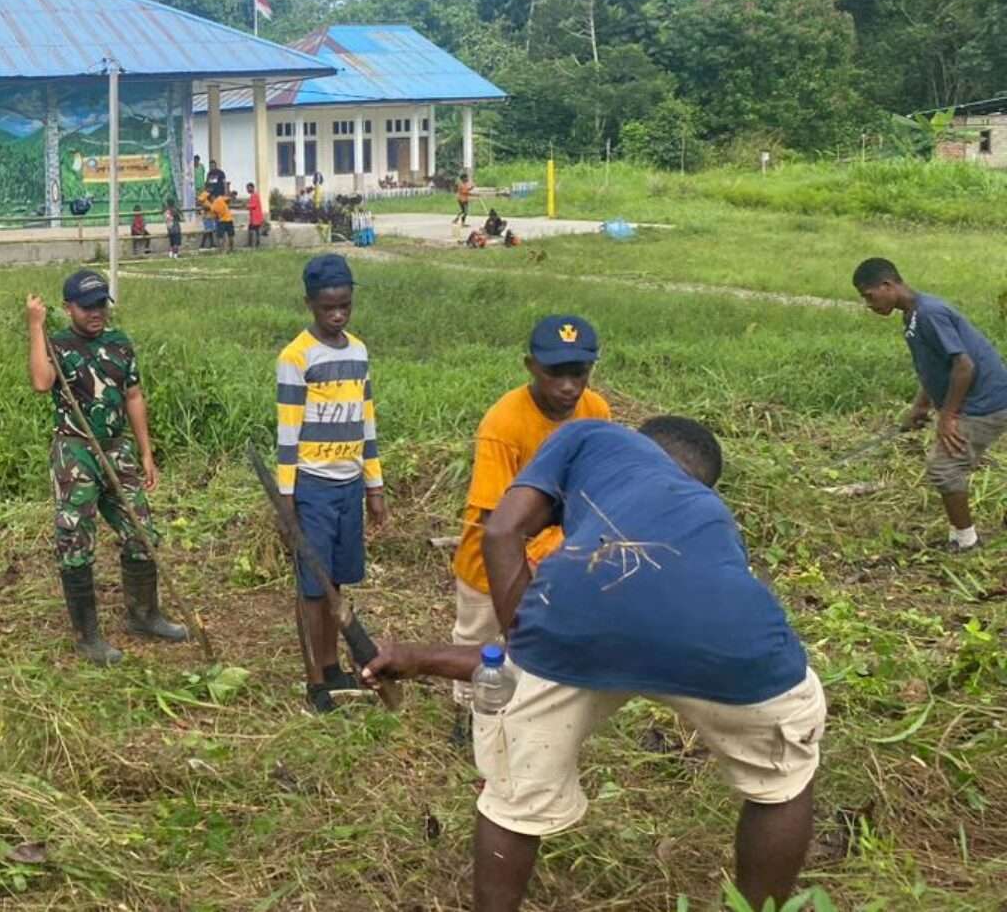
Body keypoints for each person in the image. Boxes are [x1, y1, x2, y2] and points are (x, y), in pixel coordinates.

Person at [360, 417, 826, 912]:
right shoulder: (713, 519)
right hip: (732, 634)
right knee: (782, 782)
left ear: (639, 442)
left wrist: (522, 646)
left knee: (514, 798)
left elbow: (500, 531)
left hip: (578, 614)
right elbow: (669, 624)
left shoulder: (591, 436)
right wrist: (421, 659)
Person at [448, 316, 610, 733]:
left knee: (531, 641)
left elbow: (597, 486)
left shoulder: (595, 411)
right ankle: (467, 716)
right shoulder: (504, 425)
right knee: (480, 639)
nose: (569, 386)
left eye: (579, 373)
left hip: (559, 558)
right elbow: (493, 519)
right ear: (530, 366)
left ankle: (526, 712)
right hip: (491, 563)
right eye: (556, 373)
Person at [26, 271, 188, 664]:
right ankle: (87, 636)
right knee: (75, 541)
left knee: (142, 532)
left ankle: (144, 614)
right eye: (87, 306)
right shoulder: (58, 344)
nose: (96, 313)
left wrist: (147, 453)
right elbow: (42, 382)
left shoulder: (120, 344)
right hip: (76, 453)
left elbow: (133, 396)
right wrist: (36, 327)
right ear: (69, 309)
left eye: (101, 304)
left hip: (117, 451)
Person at [276, 253, 387, 713]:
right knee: (313, 586)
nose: (337, 315)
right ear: (310, 304)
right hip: (313, 487)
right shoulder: (296, 357)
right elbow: (287, 431)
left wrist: (374, 486)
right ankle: (316, 678)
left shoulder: (358, 352)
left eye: (344, 305)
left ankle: (333, 663)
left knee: (338, 582)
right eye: (327, 308)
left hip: (349, 486)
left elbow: (366, 421)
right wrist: (287, 498)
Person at [853, 257, 1007, 552]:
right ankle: (959, 536)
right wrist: (921, 407)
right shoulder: (911, 316)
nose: (868, 305)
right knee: (947, 464)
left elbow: (964, 366)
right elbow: (935, 367)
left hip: (987, 402)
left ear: (888, 285)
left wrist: (948, 417)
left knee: (944, 467)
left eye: (869, 296)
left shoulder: (929, 313)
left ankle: (966, 542)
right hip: (978, 400)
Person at [245, 183, 265, 248]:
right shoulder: (253, 195)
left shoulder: (254, 195)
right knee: (256, 231)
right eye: (247, 188)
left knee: (252, 230)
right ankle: (255, 244)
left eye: (248, 188)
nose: (247, 189)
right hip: (255, 217)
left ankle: (252, 244)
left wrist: (247, 206)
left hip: (256, 217)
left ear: (252, 188)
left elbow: (254, 205)